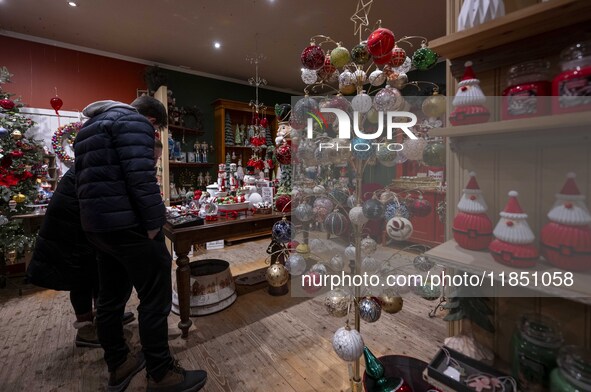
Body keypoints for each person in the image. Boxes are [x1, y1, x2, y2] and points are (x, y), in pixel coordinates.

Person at [73, 97, 207, 392]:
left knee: (109, 299)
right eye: (156, 130)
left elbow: (83, 181)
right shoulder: (134, 123)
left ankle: (119, 364)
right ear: (152, 120)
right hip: (130, 226)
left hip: (98, 227)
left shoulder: (88, 128)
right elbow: (141, 178)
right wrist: (153, 223)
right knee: (155, 299)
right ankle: (161, 374)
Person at [27, 168, 136, 348]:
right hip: (71, 227)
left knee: (93, 273)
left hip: (79, 221)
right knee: (81, 276)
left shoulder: (93, 159)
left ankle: (104, 318)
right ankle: (86, 330)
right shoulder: (97, 161)